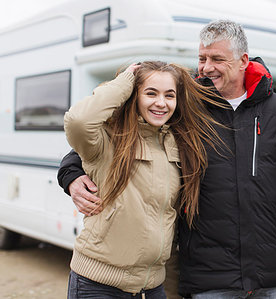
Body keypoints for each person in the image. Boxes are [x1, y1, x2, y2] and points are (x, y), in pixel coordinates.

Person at [58, 20, 276, 298]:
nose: (206, 68)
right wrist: (71, 173)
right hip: (210, 273)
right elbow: (98, 142)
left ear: (243, 60)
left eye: (217, 59)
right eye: (202, 58)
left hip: (269, 269)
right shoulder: (189, 105)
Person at [64, 61, 225, 298]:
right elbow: (78, 121)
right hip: (98, 284)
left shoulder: (179, 142)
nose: (161, 103)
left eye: (169, 95)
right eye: (151, 93)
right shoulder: (107, 139)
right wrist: (126, 80)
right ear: (133, 95)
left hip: (151, 287)